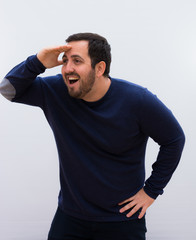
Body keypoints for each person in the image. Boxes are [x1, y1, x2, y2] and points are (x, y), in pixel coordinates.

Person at [0, 33, 185, 240]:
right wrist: (38, 61)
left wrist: (151, 191)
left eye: (77, 61)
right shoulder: (56, 91)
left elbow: (174, 139)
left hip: (123, 220)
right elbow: (7, 89)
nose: (67, 68)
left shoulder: (137, 100)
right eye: (65, 60)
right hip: (70, 218)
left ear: (99, 68)